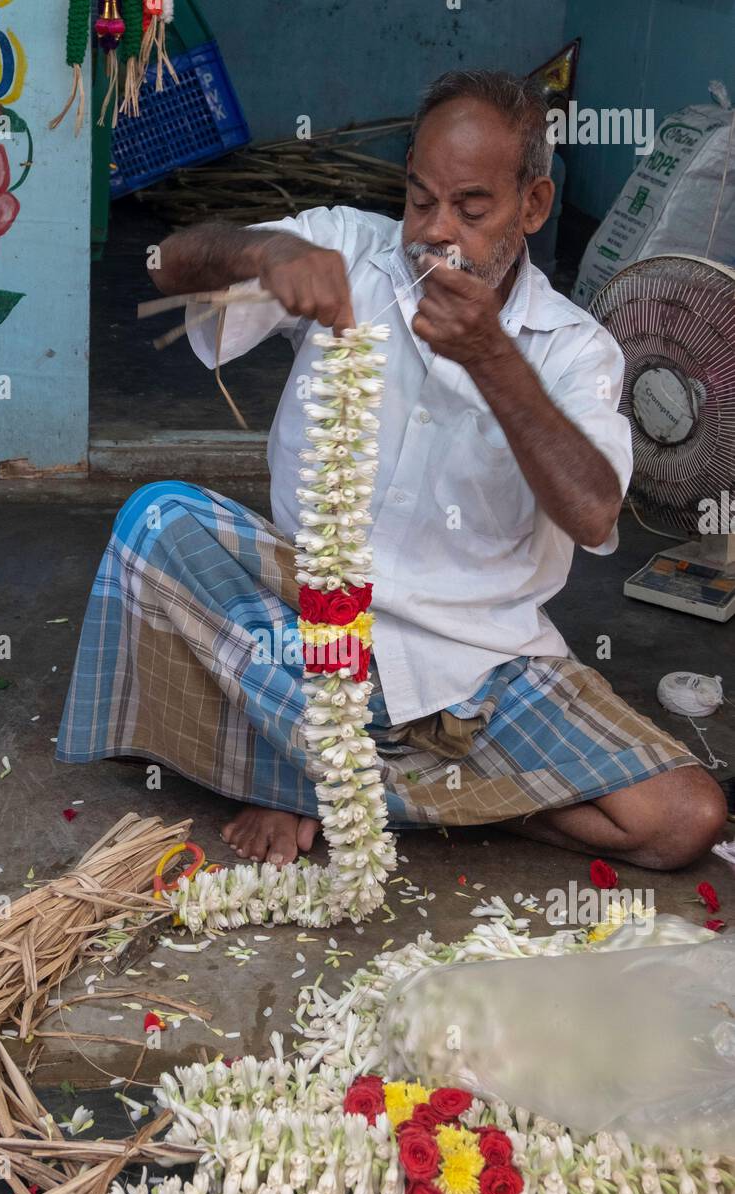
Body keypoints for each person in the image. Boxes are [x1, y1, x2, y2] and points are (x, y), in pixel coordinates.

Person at [57, 69, 726, 871]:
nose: (433, 232)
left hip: (477, 664)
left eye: (471, 209)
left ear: (532, 206)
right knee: (159, 523)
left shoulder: (573, 348)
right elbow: (167, 264)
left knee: (679, 816)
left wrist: (490, 359)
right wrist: (262, 250)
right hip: (304, 622)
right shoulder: (349, 248)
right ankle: (389, 782)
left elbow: (592, 514)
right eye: (418, 199)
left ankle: (312, 781)